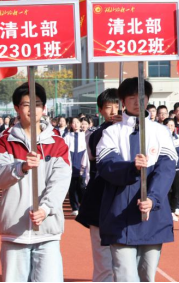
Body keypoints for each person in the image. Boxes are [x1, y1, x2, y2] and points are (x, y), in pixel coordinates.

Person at [96, 78, 177, 283]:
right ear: (123, 101)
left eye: (141, 97)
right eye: (131, 97)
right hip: (119, 216)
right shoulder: (111, 132)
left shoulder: (160, 131)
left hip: (152, 216)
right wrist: (131, 168)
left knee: (147, 276)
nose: (137, 102)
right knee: (125, 276)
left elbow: (166, 169)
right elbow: (106, 165)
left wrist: (153, 198)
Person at [0, 83, 71, 282]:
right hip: (15, 233)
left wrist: (45, 209)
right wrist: (21, 167)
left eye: (37, 104)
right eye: (26, 104)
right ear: (17, 108)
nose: (32, 109)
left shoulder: (57, 143)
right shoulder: (5, 142)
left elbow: (60, 182)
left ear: (44, 108)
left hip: (47, 231)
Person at [76, 89, 122, 283]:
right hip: (100, 200)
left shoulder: (134, 130)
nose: (113, 111)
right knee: (103, 257)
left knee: (124, 259)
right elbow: (96, 153)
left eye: (117, 106)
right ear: (100, 110)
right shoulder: (95, 134)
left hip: (124, 201)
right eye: (108, 107)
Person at [162, 118, 179, 221]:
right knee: (167, 190)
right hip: (165, 169)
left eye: (172, 125)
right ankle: (167, 210)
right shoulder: (160, 138)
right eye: (168, 125)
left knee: (176, 190)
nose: (170, 127)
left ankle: (174, 209)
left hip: (177, 169)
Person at [64, 117, 87, 215]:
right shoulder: (67, 136)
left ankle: (83, 205)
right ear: (70, 125)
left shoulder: (84, 136)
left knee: (82, 186)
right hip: (71, 163)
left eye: (78, 122)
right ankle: (74, 207)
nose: (76, 124)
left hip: (82, 162)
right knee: (72, 187)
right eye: (73, 123)